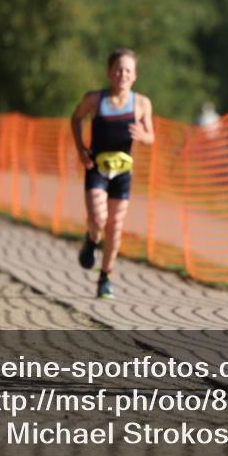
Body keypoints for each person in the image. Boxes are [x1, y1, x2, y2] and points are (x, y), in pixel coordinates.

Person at [70, 49, 155, 299]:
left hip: (122, 172)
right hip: (96, 167)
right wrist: (80, 149)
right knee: (98, 219)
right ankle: (91, 239)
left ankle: (105, 277)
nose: (123, 74)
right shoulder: (95, 100)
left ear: (135, 75)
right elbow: (75, 119)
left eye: (128, 70)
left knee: (115, 226)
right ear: (109, 72)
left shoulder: (141, 103)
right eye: (118, 69)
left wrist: (143, 136)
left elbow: (151, 136)